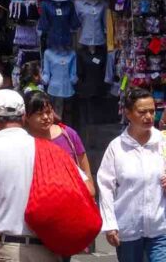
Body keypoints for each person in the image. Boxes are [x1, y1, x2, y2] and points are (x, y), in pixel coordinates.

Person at [0, 89, 66, 261]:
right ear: (23, 117)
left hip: (2, 251)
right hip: (46, 251)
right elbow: (86, 188)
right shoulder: (51, 150)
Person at [97, 87, 166, 260]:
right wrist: (110, 224)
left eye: (152, 111)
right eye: (142, 112)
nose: (149, 116)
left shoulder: (162, 142)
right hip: (128, 230)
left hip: (160, 229)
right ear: (128, 113)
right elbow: (105, 188)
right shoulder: (116, 147)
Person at [24, 90, 94, 194]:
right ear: (27, 117)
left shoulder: (69, 135)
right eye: (39, 114)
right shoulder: (24, 143)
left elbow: (86, 173)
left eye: (48, 112)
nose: (46, 117)